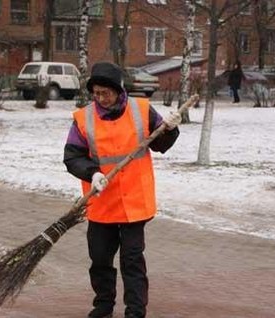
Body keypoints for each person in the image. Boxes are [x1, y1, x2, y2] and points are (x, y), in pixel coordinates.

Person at [63, 61, 181, 318]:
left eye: (105, 92)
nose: (100, 98)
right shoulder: (84, 119)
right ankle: (103, 306)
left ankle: (135, 312)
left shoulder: (141, 110)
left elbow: (160, 143)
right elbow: (72, 157)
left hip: (133, 203)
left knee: (132, 261)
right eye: (96, 93)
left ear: (118, 91)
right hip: (101, 202)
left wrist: (171, 129)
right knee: (100, 259)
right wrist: (91, 173)